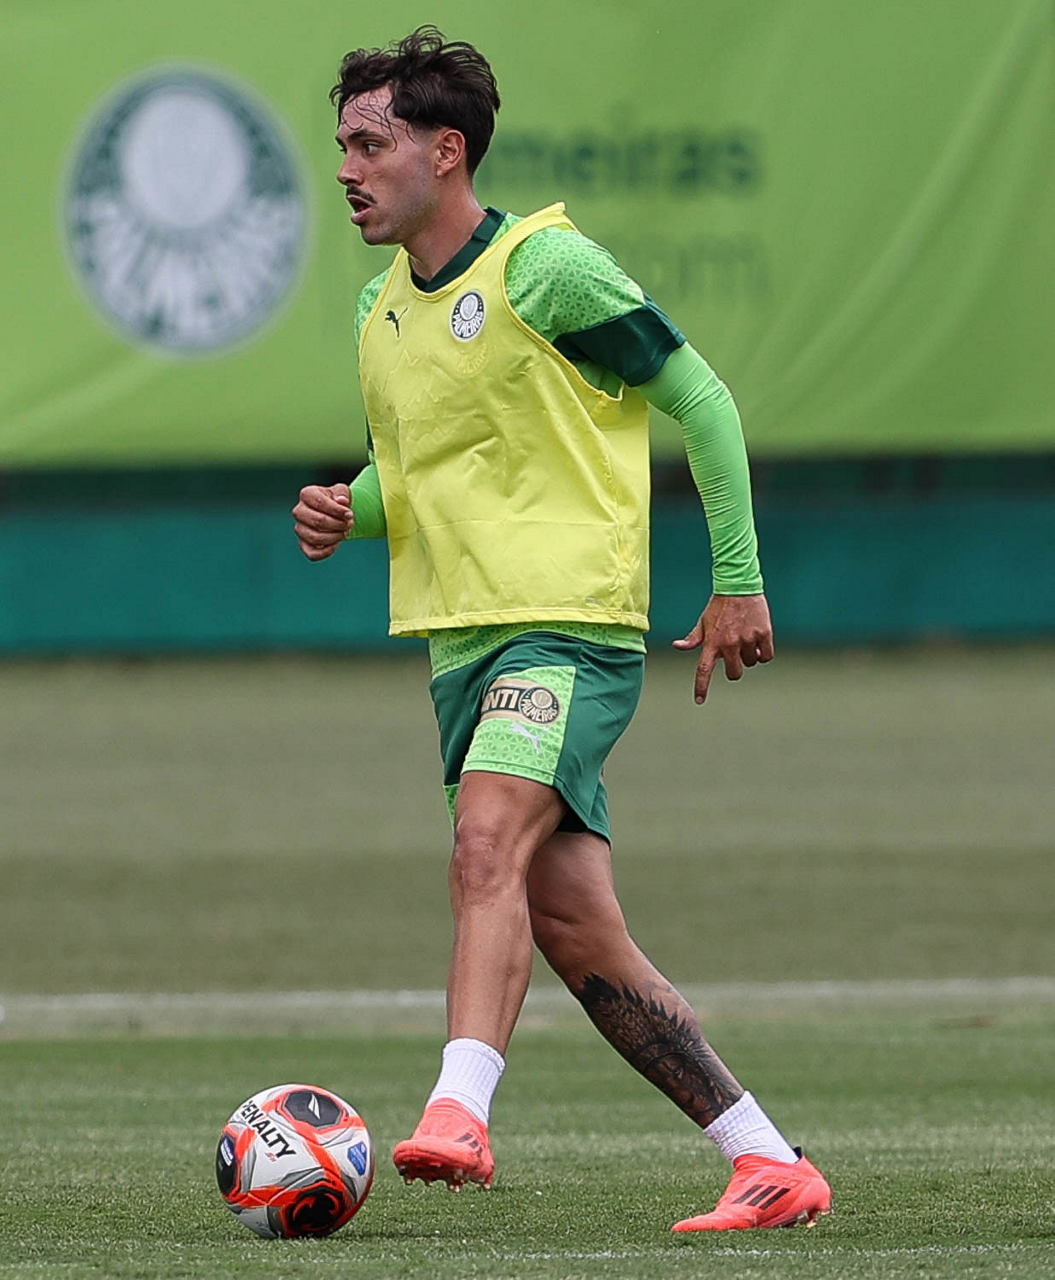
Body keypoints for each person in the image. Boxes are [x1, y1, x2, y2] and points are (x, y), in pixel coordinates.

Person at [292, 26, 831, 1232]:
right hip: (459, 648)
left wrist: (737, 578)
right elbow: (423, 477)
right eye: (341, 147)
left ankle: (457, 1108)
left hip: (566, 631)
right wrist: (348, 506)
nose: (346, 169)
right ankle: (764, 1158)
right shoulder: (379, 311)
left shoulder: (545, 267)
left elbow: (699, 396)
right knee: (577, 930)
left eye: (369, 145)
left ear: (445, 150)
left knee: (483, 836)